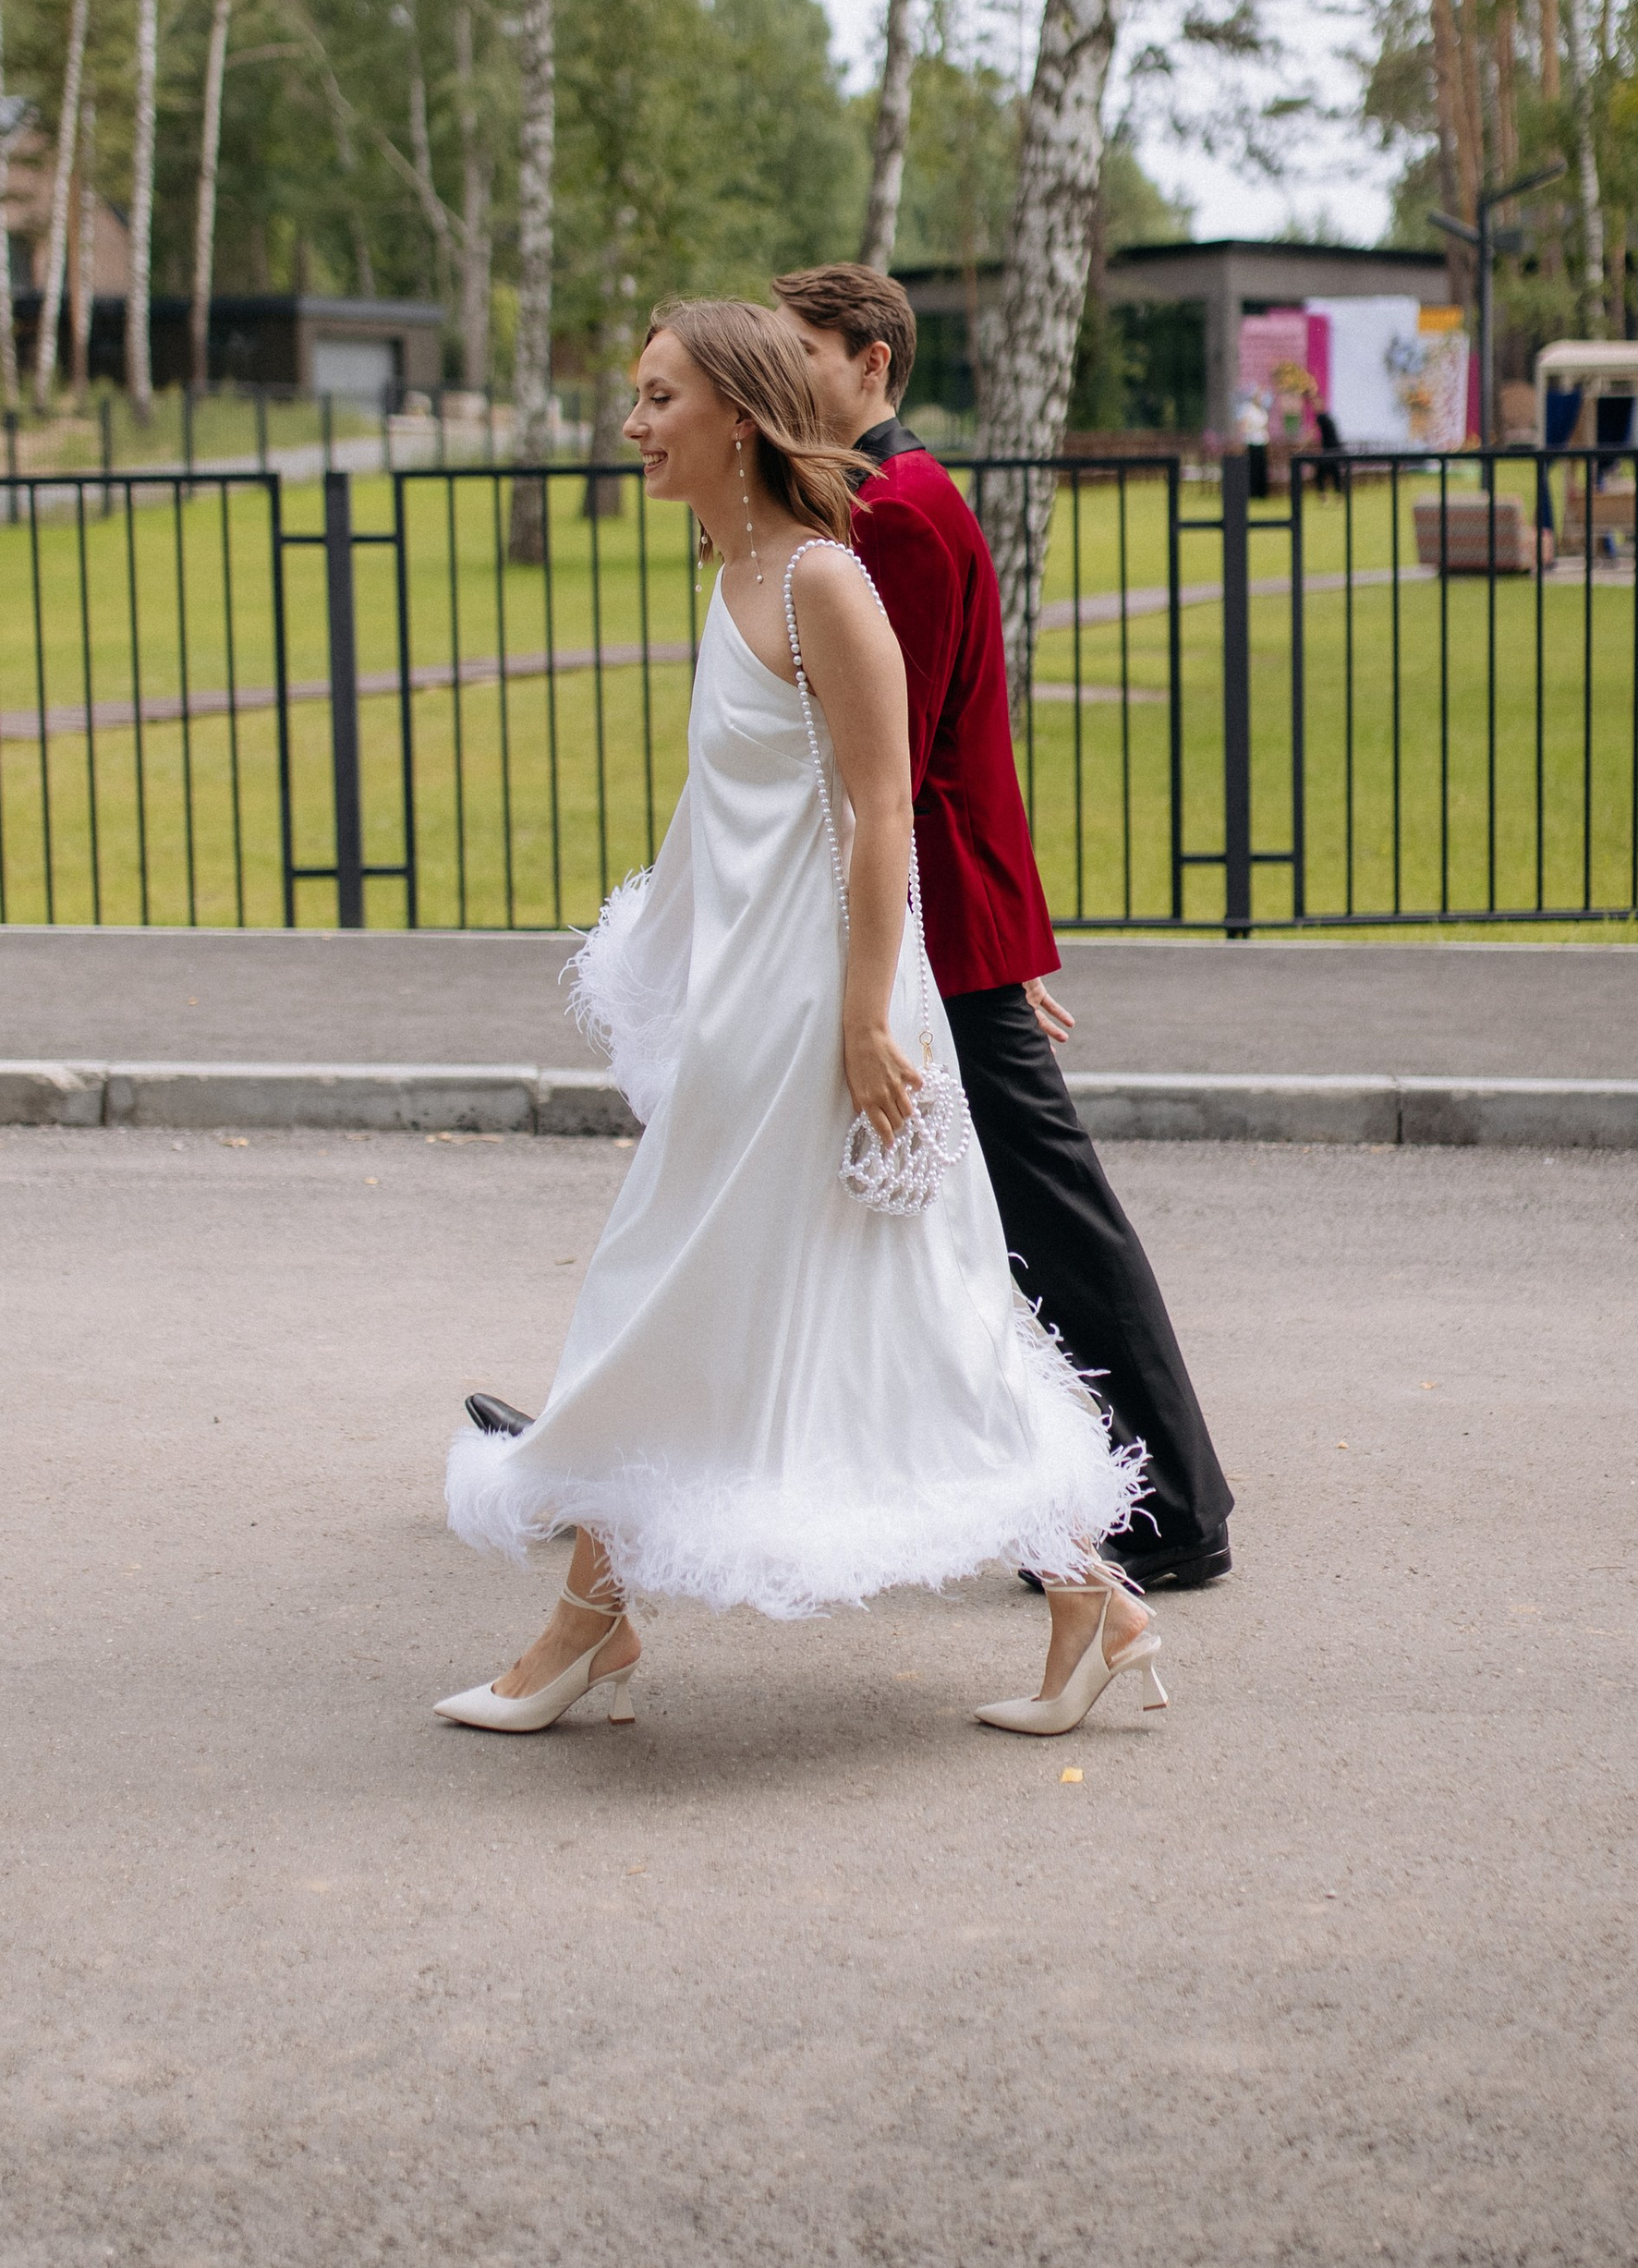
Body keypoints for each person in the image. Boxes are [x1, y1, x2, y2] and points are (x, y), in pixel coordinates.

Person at [440, 299, 1164, 1742]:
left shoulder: (821, 580)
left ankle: (596, 1628)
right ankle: (1091, 1609)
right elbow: (737, 817)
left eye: (659, 399)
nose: (635, 426)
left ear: (741, 419)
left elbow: (883, 803)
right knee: (744, 1302)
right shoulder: (734, 569)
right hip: (752, 1017)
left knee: (808, 1309)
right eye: (635, 398)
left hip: (824, 1026)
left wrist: (862, 1024)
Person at [772, 261, 1235, 1591]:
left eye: (800, 350)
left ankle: (1178, 1510)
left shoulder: (901, 515)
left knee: (1052, 1218)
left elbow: (899, 767)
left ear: (871, 360)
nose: (779, 371)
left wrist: (976, 956)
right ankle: (649, 1444)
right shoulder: (879, 503)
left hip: (936, 918)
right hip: (941, 916)